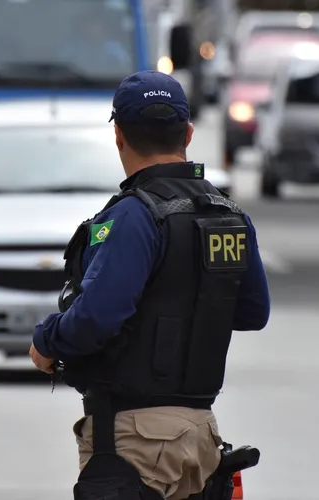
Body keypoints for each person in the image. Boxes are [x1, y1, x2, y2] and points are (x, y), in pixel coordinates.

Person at [28, 70, 271, 500]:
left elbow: (98, 316)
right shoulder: (228, 214)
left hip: (135, 440)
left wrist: (46, 341)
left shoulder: (135, 216)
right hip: (200, 437)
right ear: (189, 134)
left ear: (119, 135)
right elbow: (253, 312)